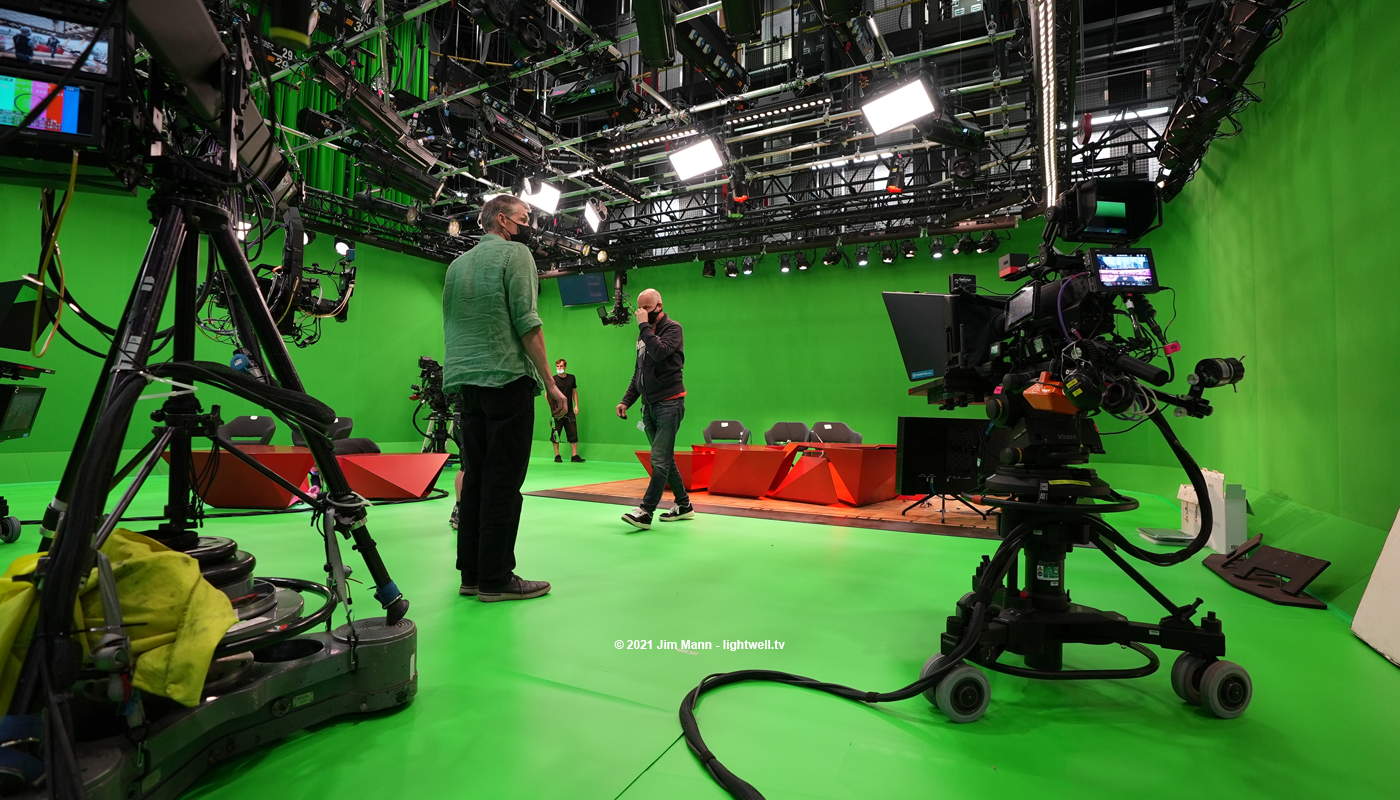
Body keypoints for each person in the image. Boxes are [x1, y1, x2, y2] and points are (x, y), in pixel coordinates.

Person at [443, 194, 567, 602]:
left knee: (476, 478)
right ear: (502, 220)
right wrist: (549, 382)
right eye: (525, 217)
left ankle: (472, 574)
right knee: (504, 480)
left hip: (466, 383)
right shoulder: (516, 255)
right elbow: (527, 321)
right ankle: (497, 578)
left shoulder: (456, 266)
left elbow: (453, 324)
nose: (530, 223)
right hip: (506, 377)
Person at [615, 288, 696, 530]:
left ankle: (646, 511)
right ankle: (684, 505)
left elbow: (660, 352)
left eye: (647, 308)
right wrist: (627, 400)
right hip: (648, 406)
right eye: (640, 309)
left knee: (659, 459)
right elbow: (639, 372)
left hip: (670, 403)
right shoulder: (644, 336)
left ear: (659, 305)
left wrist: (643, 327)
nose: (642, 313)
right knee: (664, 459)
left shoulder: (673, 329)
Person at [550, 358, 584, 462]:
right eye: (557, 366)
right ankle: (557, 455)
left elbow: (574, 392)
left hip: (569, 411)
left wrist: (576, 406)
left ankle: (574, 456)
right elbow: (548, 394)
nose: (559, 368)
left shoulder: (571, 378)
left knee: (573, 432)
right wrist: (553, 407)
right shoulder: (553, 379)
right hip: (558, 412)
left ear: (565, 367)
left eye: (561, 366)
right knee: (556, 433)